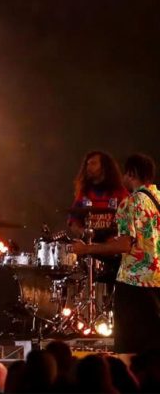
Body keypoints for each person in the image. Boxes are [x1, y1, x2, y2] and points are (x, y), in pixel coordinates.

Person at [72, 153, 160, 356]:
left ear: (131, 174)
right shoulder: (157, 199)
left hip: (134, 283)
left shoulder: (129, 204)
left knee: (129, 349)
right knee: (153, 350)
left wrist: (87, 249)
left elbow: (124, 244)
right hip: (157, 281)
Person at [68, 151, 130, 283]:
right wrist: (82, 233)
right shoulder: (84, 193)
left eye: (93, 163)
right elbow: (73, 221)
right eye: (87, 164)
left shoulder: (120, 193)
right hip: (89, 250)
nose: (88, 167)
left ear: (105, 167)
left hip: (114, 252)